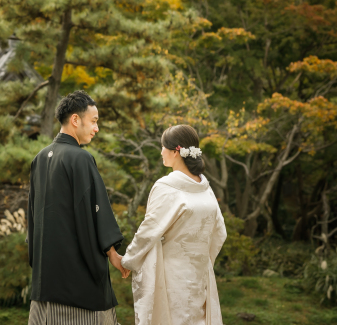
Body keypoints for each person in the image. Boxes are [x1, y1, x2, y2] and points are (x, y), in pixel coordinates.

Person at [28, 90, 129, 325]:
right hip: (78, 284)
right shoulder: (81, 158)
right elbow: (96, 211)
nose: (96, 128)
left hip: (45, 280)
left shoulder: (39, 158)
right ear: (75, 119)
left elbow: (33, 218)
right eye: (93, 121)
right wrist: (112, 253)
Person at [121, 124, 227, 325]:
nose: (161, 151)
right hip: (200, 275)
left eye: (163, 147)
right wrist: (202, 260)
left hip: (172, 276)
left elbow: (149, 230)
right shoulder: (205, 188)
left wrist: (128, 260)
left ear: (175, 151)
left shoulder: (166, 187)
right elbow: (220, 233)